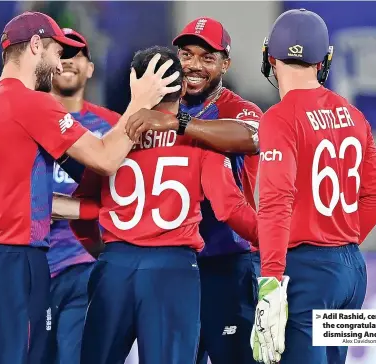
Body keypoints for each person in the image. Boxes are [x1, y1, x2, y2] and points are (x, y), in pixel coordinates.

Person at [0, 11, 180, 364]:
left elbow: (21, 191)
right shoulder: (31, 101)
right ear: (34, 45)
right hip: (14, 257)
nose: (58, 66)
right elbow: (105, 159)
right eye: (54, 53)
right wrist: (139, 101)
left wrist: (90, 209)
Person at [71, 45, 258, 364]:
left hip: (115, 267)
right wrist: (277, 241)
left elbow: (82, 208)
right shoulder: (201, 140)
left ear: (134, 83)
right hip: (173, 271)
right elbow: (229, 209)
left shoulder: (109, 139)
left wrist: (104, 254)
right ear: (182, 86)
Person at [250, 8, 376, 364]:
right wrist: (339, 236)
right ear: (323, 61)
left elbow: (275, 200)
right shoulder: (352, 114)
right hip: (351, 271)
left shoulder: (279, 118)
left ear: (270, 58)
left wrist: (270, 280)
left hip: (308, 272)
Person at [126, 17, 263, 364]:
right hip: (172, 265)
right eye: (187, 55)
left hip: (228, 262)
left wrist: (179, 123)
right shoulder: (159, 107)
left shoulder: (239, 108)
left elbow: (253, 137)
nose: (194, 66)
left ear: (225, 64)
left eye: (208, 57)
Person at [47, 28, 120, 364]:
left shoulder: (112, 126)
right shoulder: (25, 120)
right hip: (31, 265)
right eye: (59, 54)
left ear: (90, 67)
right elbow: (16, 200)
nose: (67, 61)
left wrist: (56, 206)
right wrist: (88, 208)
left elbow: (124, 200)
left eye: (75, 54)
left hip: (86, 264)